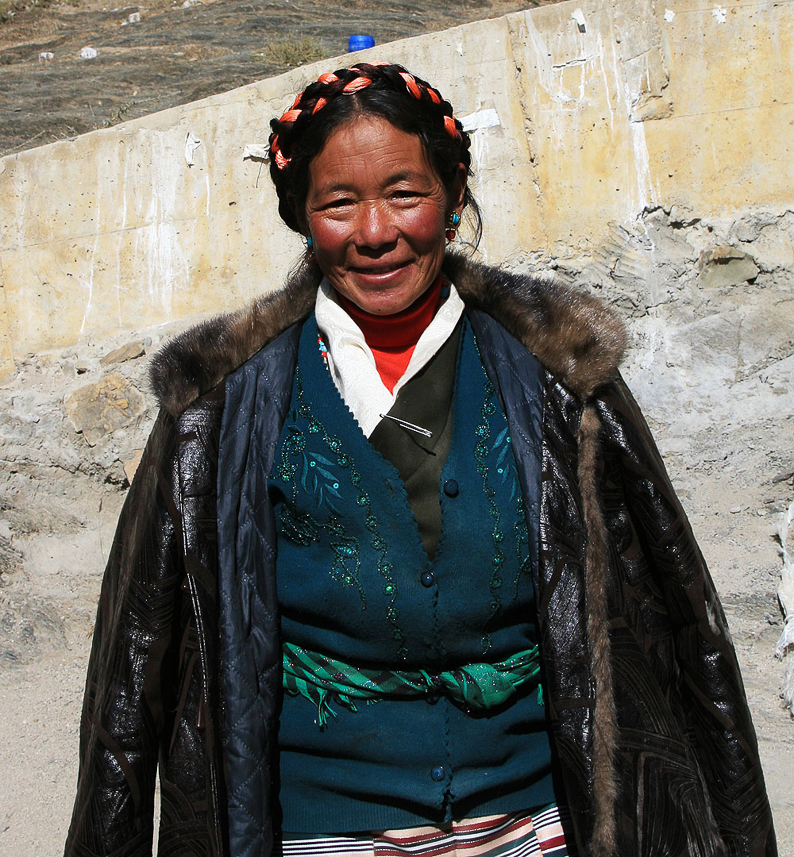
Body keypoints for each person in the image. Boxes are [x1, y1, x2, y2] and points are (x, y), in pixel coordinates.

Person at [64, 62, 776, 857]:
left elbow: (680, 622)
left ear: (453, 195)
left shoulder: (558, 374)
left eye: (405, 192)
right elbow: (132, 680)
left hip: (541, 824)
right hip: (320, 832)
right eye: (338, 202)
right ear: (300, 213)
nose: (374, 231)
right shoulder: (219, 404)